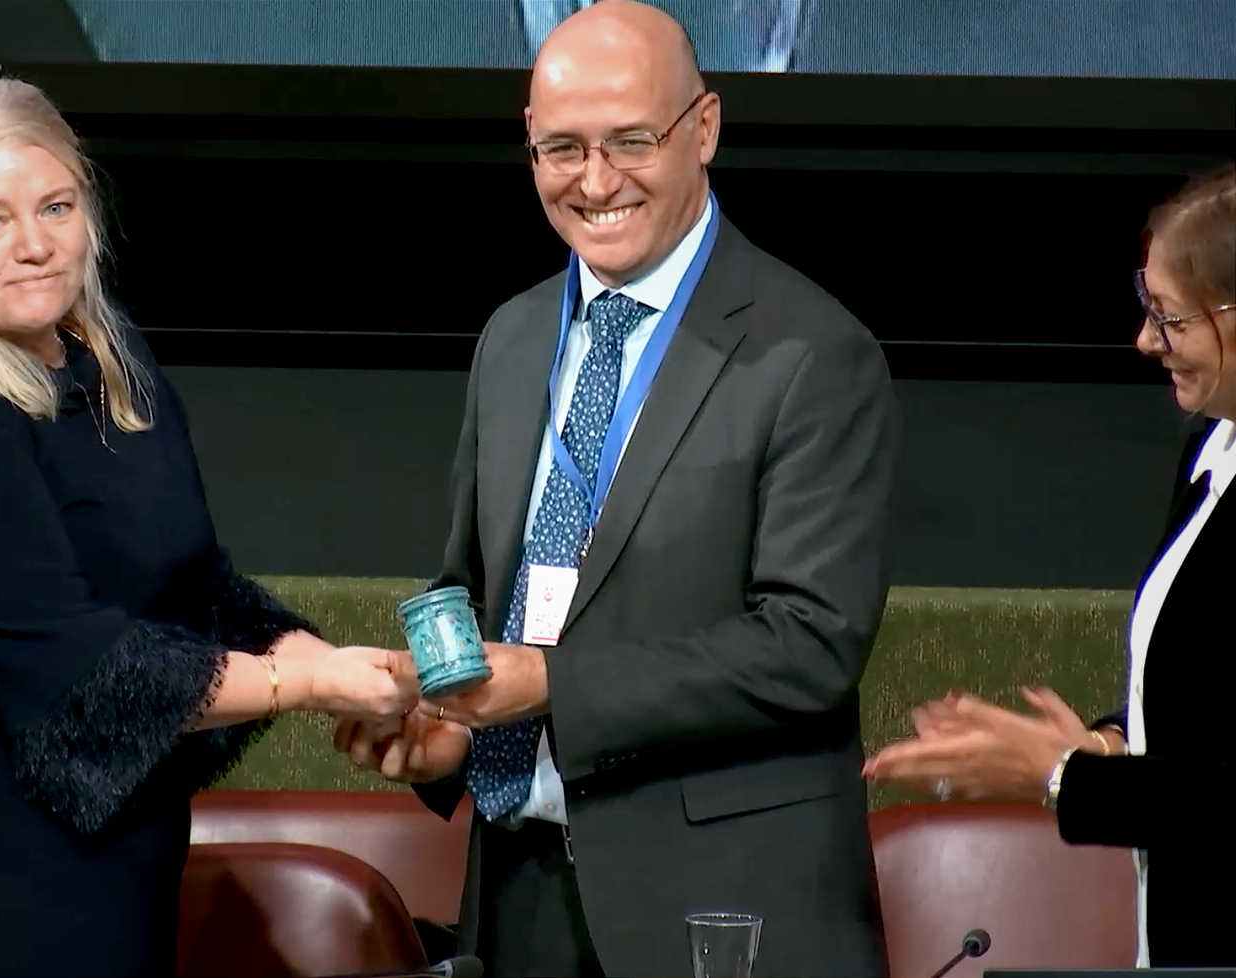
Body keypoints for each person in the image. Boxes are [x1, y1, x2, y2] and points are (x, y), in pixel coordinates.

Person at [334, 3, 899, 975]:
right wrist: (447, 733)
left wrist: (550, 689)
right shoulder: (510, 340)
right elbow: (472, 593)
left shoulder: (812, 353)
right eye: (561, 149)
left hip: (716, 911)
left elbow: (807, 647)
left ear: (704, 129)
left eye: (629, 142)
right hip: (517, 902)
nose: (593, 182)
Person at [0, 78, 420, 978]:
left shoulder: (116, 367)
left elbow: (196, 589)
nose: (34, 246)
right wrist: (304, 686)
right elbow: (82, 680)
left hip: (127, 868)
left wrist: (327, 659)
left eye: (55, 206)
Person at [863, 163, 1236, 968]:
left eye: (1168, 318)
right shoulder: (1212, 451)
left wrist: (1061, 776)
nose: (1145, 341)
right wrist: (1103, 747)